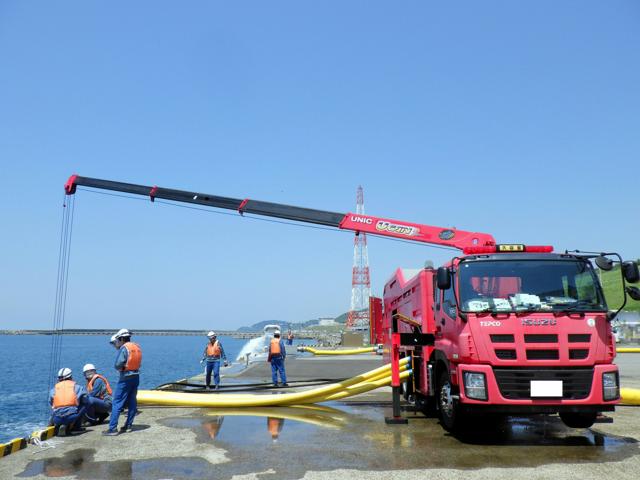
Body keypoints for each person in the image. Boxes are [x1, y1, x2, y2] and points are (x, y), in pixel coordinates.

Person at [103, 328, 142, 436]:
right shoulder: (137, 347)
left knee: (117, 402)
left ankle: (112, 429)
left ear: (121, 338)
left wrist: (122, 367)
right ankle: (128, 425)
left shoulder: (125, 348)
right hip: (136, 377)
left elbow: (117, 365)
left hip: (126, 378)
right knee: (132, 402)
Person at [48, 368, 88, 436]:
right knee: (86, 403)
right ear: (70, 377)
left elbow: (51, 403)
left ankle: (56, 425)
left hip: (57, 418)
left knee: (55, 408)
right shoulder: (77, 387)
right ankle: (75, 427)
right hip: (71, 416)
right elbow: (85, 400)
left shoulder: (54, 389)